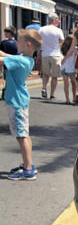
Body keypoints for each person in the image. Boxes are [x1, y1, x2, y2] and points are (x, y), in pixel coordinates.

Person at [0, 29, 42, 180]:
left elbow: (3, 60)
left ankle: (28, 169)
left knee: (21, 136)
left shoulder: (20, 60)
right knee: (23, 135)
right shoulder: (26, 59)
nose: (16, 43)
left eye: (19, 41)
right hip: (19, 101)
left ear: (27, 44)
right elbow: (9, 56)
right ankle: (27, 164)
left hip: (16, 102)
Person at [38, 13, 65, 100]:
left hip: (44, 54)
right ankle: (52, 94)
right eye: (58, 19)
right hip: (55, 54)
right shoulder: (58, 30)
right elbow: (61, 41)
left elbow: (38, 40)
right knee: (55, 76)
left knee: (45, 74)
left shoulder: (41, 29)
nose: (59, 21)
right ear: (54, 20)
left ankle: (44, 88)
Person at [0, 26, 18, 101]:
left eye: (5, 32)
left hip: (6, 64)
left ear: (9, 33)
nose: (4, 34)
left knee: (7, 78)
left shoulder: (4, 43)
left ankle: (5, 93)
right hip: (16, 64)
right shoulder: (18, 43)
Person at [60, 35, 77, 104]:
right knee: (74, 83)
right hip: (71, 67)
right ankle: (74, 98)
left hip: (63, 67)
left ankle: (67, 99)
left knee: (66, 84)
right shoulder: (74, 49)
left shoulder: (62, 48)